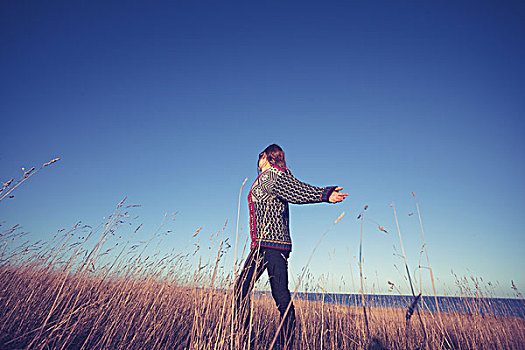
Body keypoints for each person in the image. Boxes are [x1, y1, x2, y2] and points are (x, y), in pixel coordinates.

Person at [234, 144, 348, 349]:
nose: (257, 161)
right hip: (262, 246)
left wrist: (324, 194)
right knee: (243, 289)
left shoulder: (273, 175)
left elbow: (297, 191)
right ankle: (243, 340)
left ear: (268, 157)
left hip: (273, 246)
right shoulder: (271, 177)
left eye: (260, 156)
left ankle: (284, 343)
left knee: (279, 295)